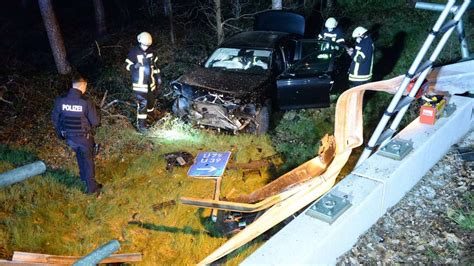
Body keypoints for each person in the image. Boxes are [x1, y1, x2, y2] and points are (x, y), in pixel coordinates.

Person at [52, 77, 102, 195]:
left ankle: (84, 179)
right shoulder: (86, 102)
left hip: (69, 137)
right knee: (88, 160)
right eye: (85, 87)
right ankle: (92, 189)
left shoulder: (61, 100)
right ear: (82, 86)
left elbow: (55, 119)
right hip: (84, 137)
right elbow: (95, 122)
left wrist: (62, 131)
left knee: (80, 156)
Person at [125, 32, 161, 133]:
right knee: (143, 104)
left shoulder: (152, 52)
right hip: (139, 84)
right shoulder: (134, 52)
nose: (146, 47)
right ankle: (141, 126)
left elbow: (156, 66)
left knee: (151, 102)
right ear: (140, 41)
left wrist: (158, 77)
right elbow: (127, 66)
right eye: (144, 45)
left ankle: (150, 119)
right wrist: (134, 66)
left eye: (147, 45)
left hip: (150, 83)